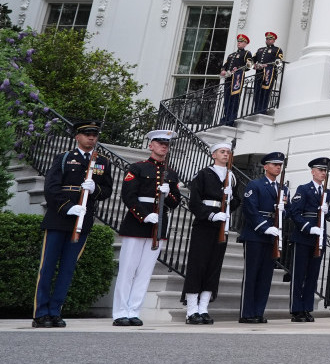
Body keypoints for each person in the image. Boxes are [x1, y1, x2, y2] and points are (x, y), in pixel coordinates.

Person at [32, 119, 113, 328]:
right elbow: (51, 188)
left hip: (82, 221)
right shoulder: (65, 158)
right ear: (77, 136)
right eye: (87, 134)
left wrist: (95, 189)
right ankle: (40, 313)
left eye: (94, 134)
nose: (92, 137)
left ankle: (55, 311)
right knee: (47, 267)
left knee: (67, 270)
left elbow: (107, 191)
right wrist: (68, 207)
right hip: (59, 219)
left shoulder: (102, 161)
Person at [113, 130, 181, 326]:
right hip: (137, 223)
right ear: (150, 145)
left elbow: (175, 202)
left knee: (145, 272)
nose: (164, 147)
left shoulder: (172, 173)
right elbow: (128, 195)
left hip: (158, 225)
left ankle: (134, 310)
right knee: (127, 269)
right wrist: (144, 215)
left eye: (166, 144)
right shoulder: (138, 168)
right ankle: (120, 312)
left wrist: (167, 195)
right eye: (160, 143)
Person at [181, 140, 242, 324]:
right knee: (197, 265)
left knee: (214, 266)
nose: (226, 155)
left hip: (221, 223)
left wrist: (229, 202)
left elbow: (238, 200)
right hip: (205, 223)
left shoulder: (232, 176)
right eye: (222, 152)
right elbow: (194, 202)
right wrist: (210, 215)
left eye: (228, 152)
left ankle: (203, 308)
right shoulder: (204, 174)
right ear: (213, 154)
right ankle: (191, 310)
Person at [287, 157, 330, 322]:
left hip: (319, 240)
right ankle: (296, 309)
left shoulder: (327, 193)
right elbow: (294, 213)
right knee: (299, 275)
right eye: (320, 170)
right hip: (303, 237)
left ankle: (307, 308)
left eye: (325, 171)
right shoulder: (304, 189)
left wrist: (327, 211)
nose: (323, 173)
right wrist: (309, 227)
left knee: (312, 276)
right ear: (313, 171)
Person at [239, 151, 286, 324]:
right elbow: (250, 209)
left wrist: (282, 210)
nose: (278, 167)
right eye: (274, 164)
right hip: (255, 234)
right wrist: (265, 227)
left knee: (266, 276)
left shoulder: (283, 189)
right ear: (265, 166)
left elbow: (284, 214)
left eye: (280, 165)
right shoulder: (255, 185)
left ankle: (259, 311)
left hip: (272, 235)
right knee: (252, 274)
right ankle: (247, 313)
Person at [219, 34, 252, 125]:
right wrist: (223, 71)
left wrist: (238, 68)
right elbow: (224, 66)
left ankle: (231, 118)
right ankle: (226, 117)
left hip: (237, 78)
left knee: (234, 99)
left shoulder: (246, 53)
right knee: (227, 99)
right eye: (238, 41)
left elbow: (249, 65)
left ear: (245, 44)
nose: (239, 43)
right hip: (228, 79)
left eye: (241, 42)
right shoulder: (231, 55)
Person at [252, 31, 283, 114]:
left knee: (266, 91)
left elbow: (279, 60)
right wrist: (254, 65)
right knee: (257, 91)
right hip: (259, 73)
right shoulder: (260, 50)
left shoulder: (277, 50)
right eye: (267, 39)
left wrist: (267, 65)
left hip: (269, 73)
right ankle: (256, 110)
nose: (268, 40)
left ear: (274, 40)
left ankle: (263, 110)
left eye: (270, 39)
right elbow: (252, 60)